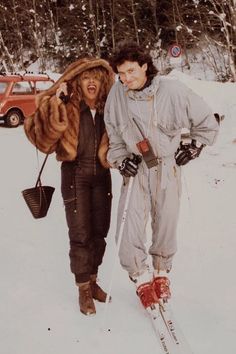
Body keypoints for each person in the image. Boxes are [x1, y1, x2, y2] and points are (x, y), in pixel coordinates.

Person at [104, 41, 219, 309]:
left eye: (131, 71)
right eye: (121, 73)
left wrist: (195, 147)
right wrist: (121, 161)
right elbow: (113, 132)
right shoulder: (117, 94)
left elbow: (206, 120)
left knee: (166, 222)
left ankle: (161, 272)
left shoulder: (173, 91)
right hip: (137, 168)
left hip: (167, 167)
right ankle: (141, 277)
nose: (126, 79)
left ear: (145, 66)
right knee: (128, 225)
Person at [24, 56, 114, 316]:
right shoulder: (68, 105)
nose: (91, 82)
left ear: (103, 81)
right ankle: (83, 288)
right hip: (75, 176)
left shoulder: (109, 108)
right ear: (77, 81)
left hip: (102, 178)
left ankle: (93, 279)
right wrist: (57, 104)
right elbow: (41, 139)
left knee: (100, 232)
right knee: (80, 234)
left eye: (96, 78)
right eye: (86, 78)